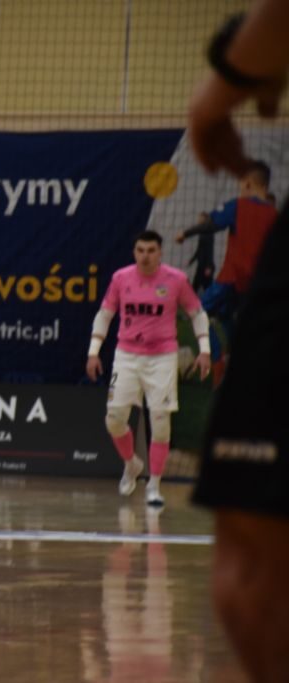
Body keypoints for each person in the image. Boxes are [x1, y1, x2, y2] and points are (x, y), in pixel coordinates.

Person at [187, 1, 289, 681]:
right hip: (246, 292)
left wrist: (220, 88)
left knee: (252, 570)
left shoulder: (245, 206)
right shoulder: (268, 209)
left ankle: (217, 359)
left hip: (237, 292)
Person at [86, 230, 210, 507]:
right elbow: (105, 314)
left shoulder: (176, 280)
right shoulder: (121, 278)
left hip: (162, 358)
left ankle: (154, 486)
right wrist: (93, 352)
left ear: (160, 252)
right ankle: (131, 463)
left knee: (161, 421)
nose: (145, 256)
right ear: (134, 252)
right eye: (140, 250)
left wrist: (205, 350)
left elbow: (197, 313)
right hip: (126, 356)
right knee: (114, 419)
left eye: (151, 250)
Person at [175, 161, 277, 360]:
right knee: (226, 317)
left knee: (196, 312)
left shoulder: (238, 206)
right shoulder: (275, 216)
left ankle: (216, 357)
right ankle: (232, 356)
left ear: (247, 184)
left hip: (231, 278)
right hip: (255, 284)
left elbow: (210, 225)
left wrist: (185, 233)